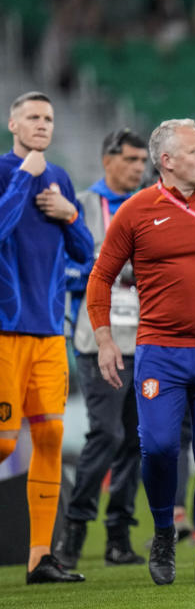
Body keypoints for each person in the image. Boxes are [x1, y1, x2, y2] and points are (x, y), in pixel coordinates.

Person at [87, 118, 195, 585]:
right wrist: (103, 340)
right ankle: (162, 531)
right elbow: (100, 277)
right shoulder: (136, 211)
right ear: (168, 161)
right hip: (159, 350)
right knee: (156, 448)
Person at [0, 91, 93, 584]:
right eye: (32, 117)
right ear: (13, 123)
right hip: (5, 330)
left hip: (47, 332)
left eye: (48, 118)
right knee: (2, 443)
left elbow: (85, 251)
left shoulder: (58, 179)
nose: (42, 124)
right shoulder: (3, 171)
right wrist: (23, 176)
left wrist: (69, 212)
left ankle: (41, 557)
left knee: (51, 435)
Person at [55, 129, 149, 570]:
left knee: (136, 439)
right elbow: (64, 270)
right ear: (107, 159)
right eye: (130, 159)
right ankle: (73, 530)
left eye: (141, 160)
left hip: (145, 340)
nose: (138, 167)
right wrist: (105, 271)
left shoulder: (148, 204)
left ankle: (118, 536)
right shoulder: (82, 207)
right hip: (97, 340)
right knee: (107, 433)